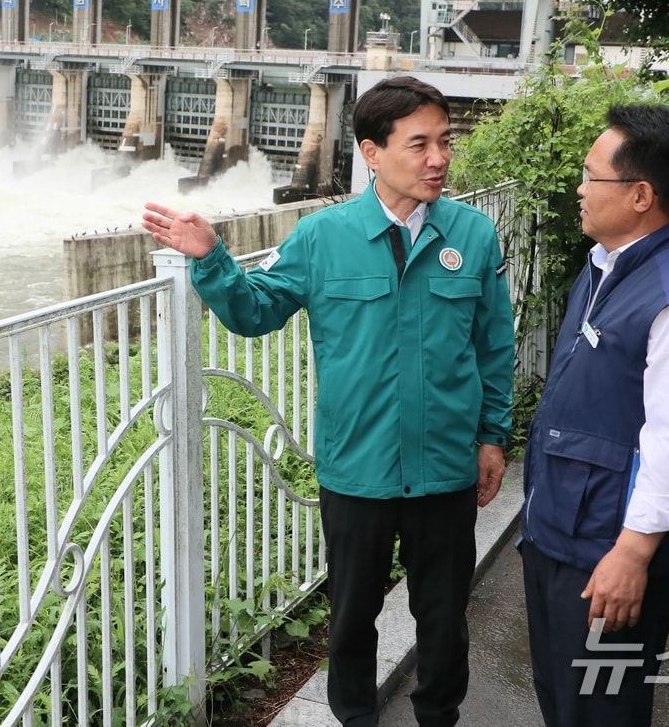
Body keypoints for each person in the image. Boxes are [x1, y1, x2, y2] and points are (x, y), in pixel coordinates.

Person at [142, 75, 514, 727]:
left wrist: (492, 436)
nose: (438, 159)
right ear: (372, 152)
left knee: (443, 616)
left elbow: (493, 346)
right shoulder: (322, 236)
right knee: (351, 616)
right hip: (357, 467)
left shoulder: (473, 235)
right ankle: (354, 717)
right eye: (419, 144)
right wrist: (212, 258)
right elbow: (255, 311)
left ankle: (438, 715)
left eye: (445, 142)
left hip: (446, 464)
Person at [517, 104, 669, 727]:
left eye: (591, 176)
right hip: (560, 534)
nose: (579, 189)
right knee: (562, 699)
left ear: (641, 195)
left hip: (608, 551)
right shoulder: (605, 266)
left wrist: (632, 554)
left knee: (601, 710)